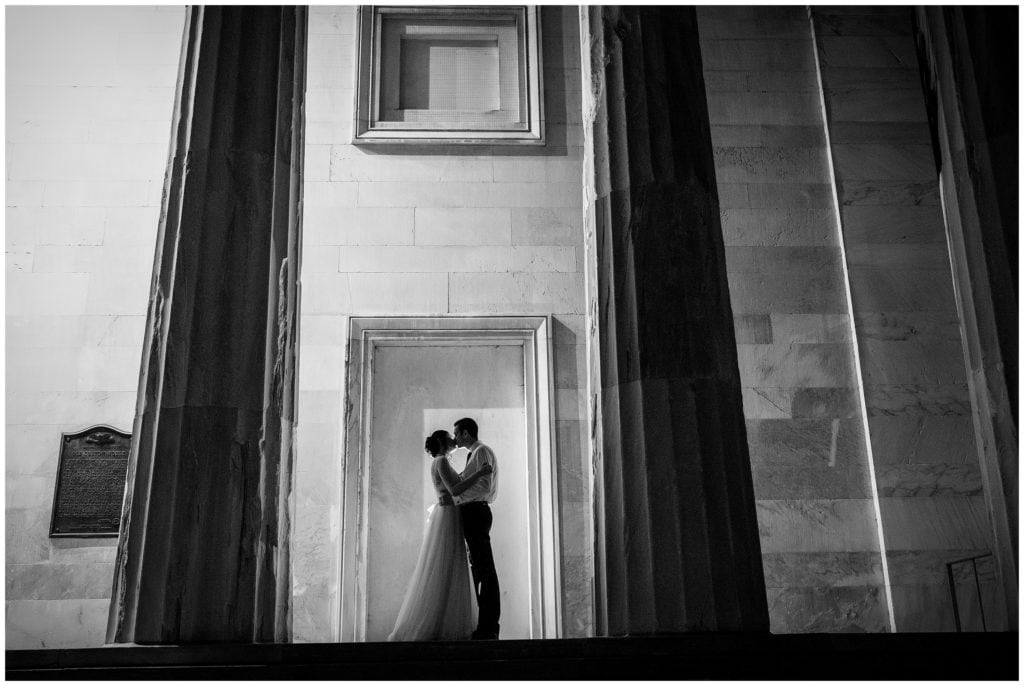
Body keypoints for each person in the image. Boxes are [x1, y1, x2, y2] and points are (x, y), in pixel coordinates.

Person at [388, 429, 492, 642]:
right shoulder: (441, 461)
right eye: (450, 437)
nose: (454, 439)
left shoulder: (440, 461)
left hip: (449, 513)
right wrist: (480, 474)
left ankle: (445, 619)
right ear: (443, 442)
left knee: (450, 565)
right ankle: (440, 623)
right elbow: (455, 490)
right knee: (447, 565)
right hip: (448, 515)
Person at [447, 417, 501, 640]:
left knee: (485, 570)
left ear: (466, 433)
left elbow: (484, 485)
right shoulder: (476, 454)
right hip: (474, 512)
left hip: (476, 512)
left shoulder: (481, 452)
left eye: (457, 433)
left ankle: (489, 627)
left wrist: (458, 496)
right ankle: (485, 625)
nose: (455, 438)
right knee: (479, 570)